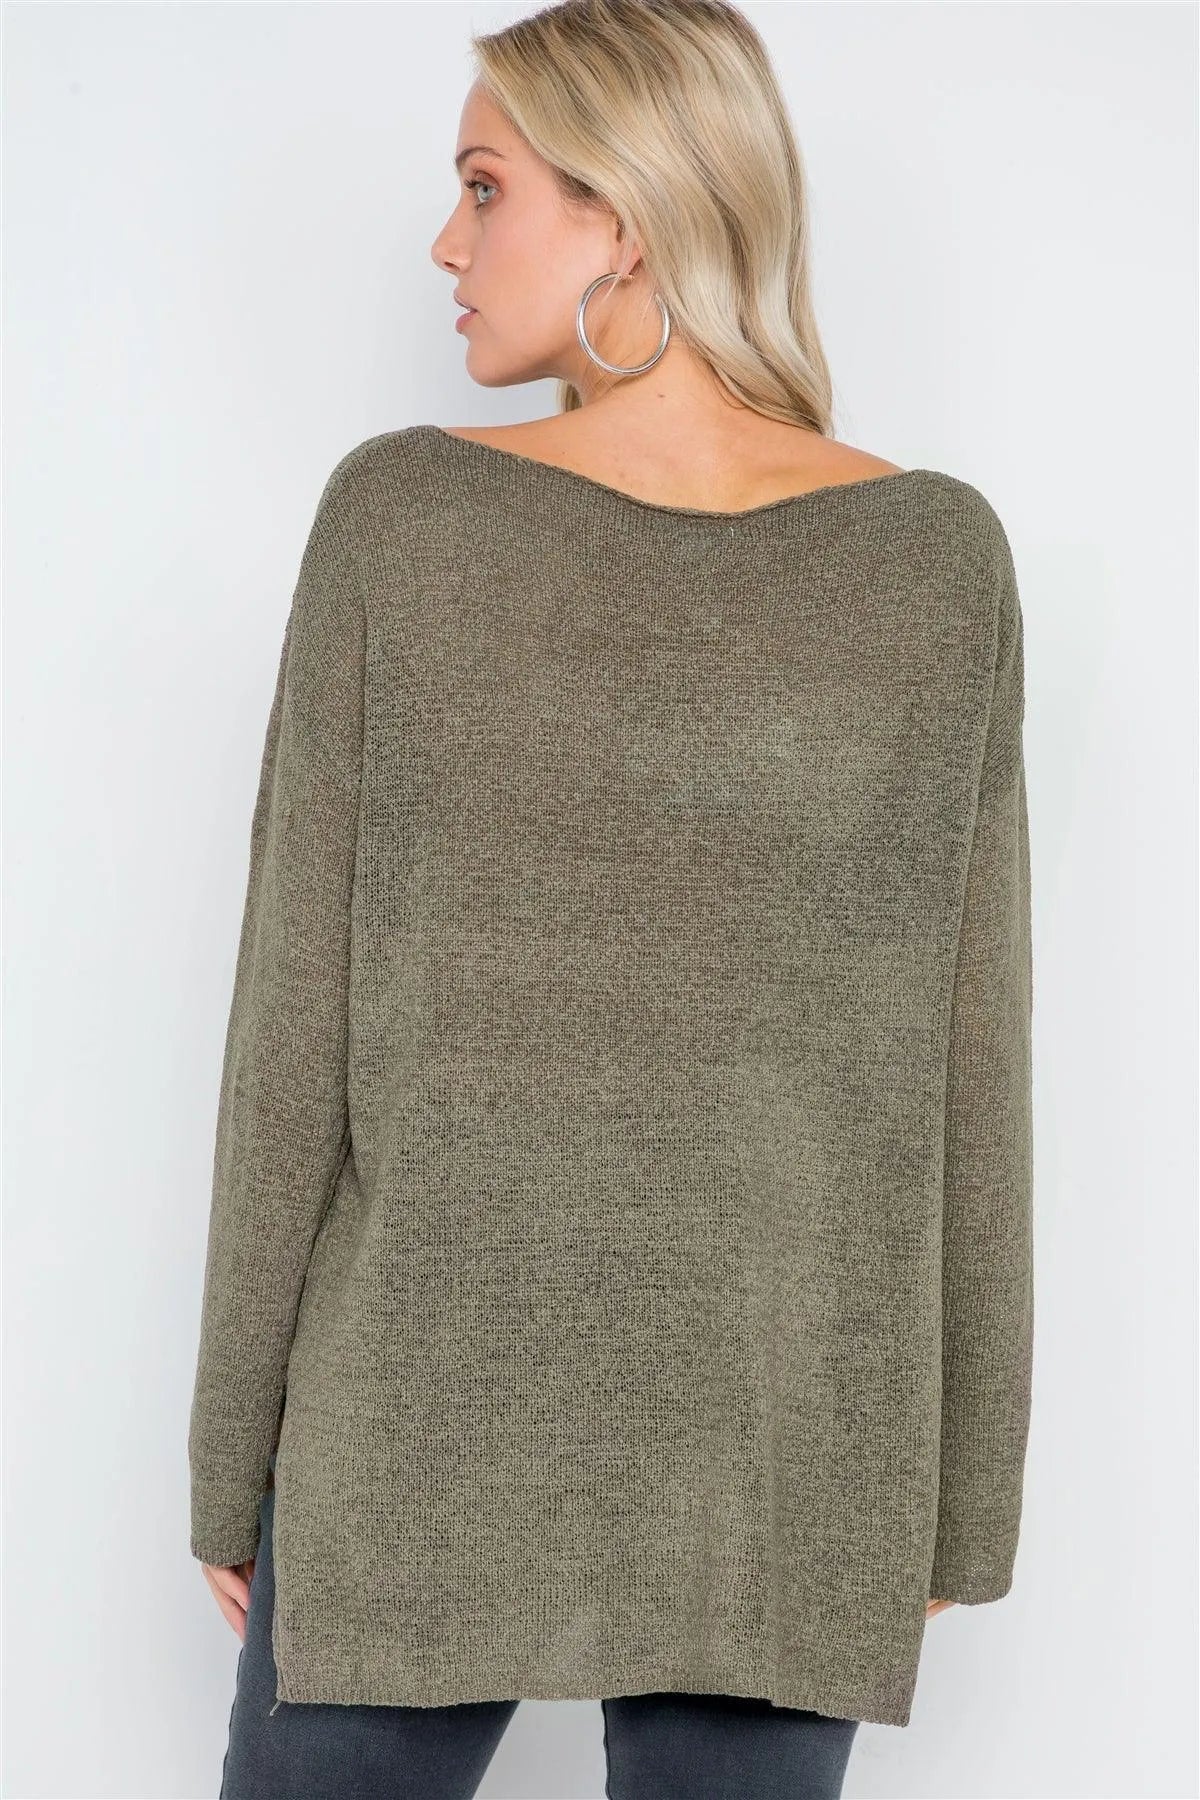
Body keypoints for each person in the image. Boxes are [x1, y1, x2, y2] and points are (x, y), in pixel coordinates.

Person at [187, 3, 1035, 1796]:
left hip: (479, 1423)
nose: (446, 240)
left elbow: (291, 1034)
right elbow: (972, 1062)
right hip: (770, 1439)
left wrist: (226, 1456)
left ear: (627, 216)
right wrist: (961, 1496)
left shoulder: (412, 521)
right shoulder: (928, 558)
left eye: (485, 186)